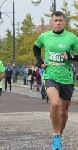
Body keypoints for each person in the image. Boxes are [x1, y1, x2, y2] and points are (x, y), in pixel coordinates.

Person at [33, 11, 78, 150]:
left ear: (64, 22)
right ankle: (56, 135)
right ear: (52, 22)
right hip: (50, 75)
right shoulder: (45, 36)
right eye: (55, 20)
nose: (58, 23)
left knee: (63, 112)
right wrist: (40, 61)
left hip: (66, 78)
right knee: (54, 104)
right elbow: (36, 47)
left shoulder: (72, 38)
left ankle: (59, 137)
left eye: (60, 20)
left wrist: (70, 57)